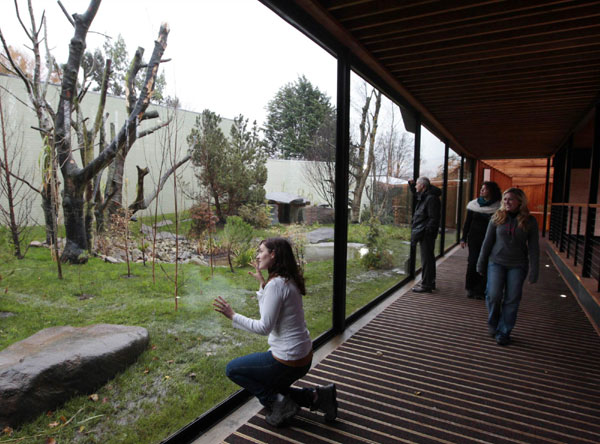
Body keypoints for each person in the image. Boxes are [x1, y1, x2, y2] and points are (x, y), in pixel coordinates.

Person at [213, 237, 337, 427]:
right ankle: (317, 396)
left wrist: (233, 316)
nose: (257, 255)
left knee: (233, 369)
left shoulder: (277, 285)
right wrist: (262, 286)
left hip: (288, 360)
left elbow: (264, 327)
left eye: (261, 251)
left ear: (273, 254)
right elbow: (268, 314)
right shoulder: (286, 279)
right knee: (273, 386)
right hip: (303, 355)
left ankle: (279, 404)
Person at [476, 188, 539, 346]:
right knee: (493, 295)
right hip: (496, 262)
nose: (507, 202)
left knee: (512, 299)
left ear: (520, 201)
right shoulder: (496, 217)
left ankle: (504, 331)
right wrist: (481, 263)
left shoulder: (529, 221)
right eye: (505, 199)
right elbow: (487, 242)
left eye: (510, 199)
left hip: (517, 265)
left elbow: (533, 248)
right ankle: (493, 322)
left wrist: (534, 270)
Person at [460, 181, 502, 299]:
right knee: (473, 262)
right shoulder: (473, 205)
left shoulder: (497, 207)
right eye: (481, 188)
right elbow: (467, 223)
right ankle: (470, 287)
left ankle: (481, 289)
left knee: (485, 262)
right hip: (474, 238)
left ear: (491, 191)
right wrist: (463, 238)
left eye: (485, 189)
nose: (481, 190)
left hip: (490, 239)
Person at [409, 176, 442, 293]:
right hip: (425, 232)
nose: (416, 186)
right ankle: (429, 283)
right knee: (428, 259)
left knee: (427, 259)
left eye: (417, 184)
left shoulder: (431, 198)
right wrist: (412, 186)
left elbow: (434, 218)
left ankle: (426, 285)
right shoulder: (427, 195)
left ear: (423, 186)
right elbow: (418, 195)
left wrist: (427, 231)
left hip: (426, 233)